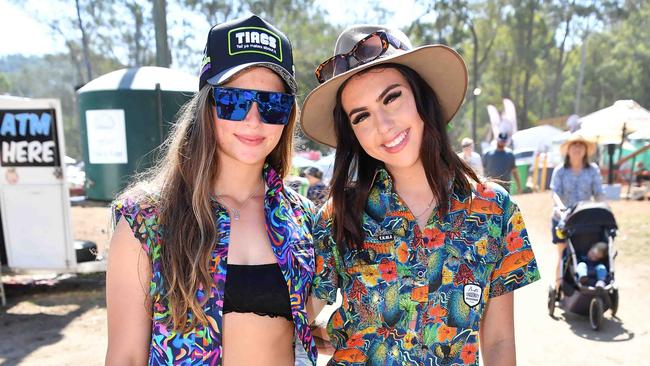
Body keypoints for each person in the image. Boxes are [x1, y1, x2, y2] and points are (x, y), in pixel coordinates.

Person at [300, 25, 540, 366]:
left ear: (421, 96)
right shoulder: (337, 215)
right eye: (361, 116)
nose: (383, 125)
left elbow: (499, 340)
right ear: (352, 133)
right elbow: (297, 315)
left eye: (392, 97)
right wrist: (335, 327)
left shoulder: (495, 210)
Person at [105, 15, 317, 365]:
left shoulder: (302, 217)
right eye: (234, 100)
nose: (253, 120)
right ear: (207, 105)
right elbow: (125, 356)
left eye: (272, 105)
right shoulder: (145, 219)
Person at [550, 133, 604, 292]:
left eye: (581, 145)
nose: (578, 148)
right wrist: (560, 207)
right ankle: (559, 286)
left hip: (585, 218)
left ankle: (585, 283)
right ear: (568, 149)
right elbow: (555, 193)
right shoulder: (560, 170)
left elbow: (599, 193)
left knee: (584, 252)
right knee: (563, 252)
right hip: (563, 218)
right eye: (574, 145)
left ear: (586, 150)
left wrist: (604, 207)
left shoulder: (593, 170)